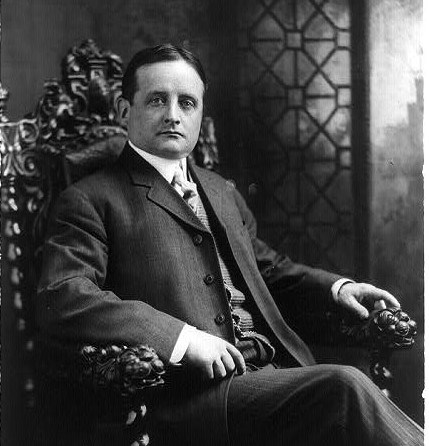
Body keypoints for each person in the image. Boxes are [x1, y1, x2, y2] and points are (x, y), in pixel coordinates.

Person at [37, 44, 423, 446]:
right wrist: (181, 340)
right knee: (344, 388)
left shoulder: (220, 190)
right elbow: (64, 296)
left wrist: (338, 288)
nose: (173, 114)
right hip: (189, 396)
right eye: (156, 100)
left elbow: (268, 271)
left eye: (187, 103)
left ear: (200, 115)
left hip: (270, 375)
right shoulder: (90, 199)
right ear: (123, 111)